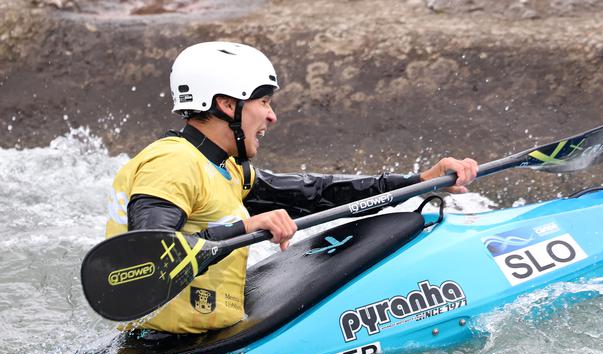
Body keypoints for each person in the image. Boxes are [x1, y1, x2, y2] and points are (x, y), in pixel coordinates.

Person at [106, 42, 478, 334]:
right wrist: (245, 228)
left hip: (196, 335)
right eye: (263, 102)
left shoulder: (222, 167)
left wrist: (418, 182)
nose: (272, 115)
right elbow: (145, 258)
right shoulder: (172, 164)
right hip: (170, 350)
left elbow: (315, 193)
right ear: (225, 104)